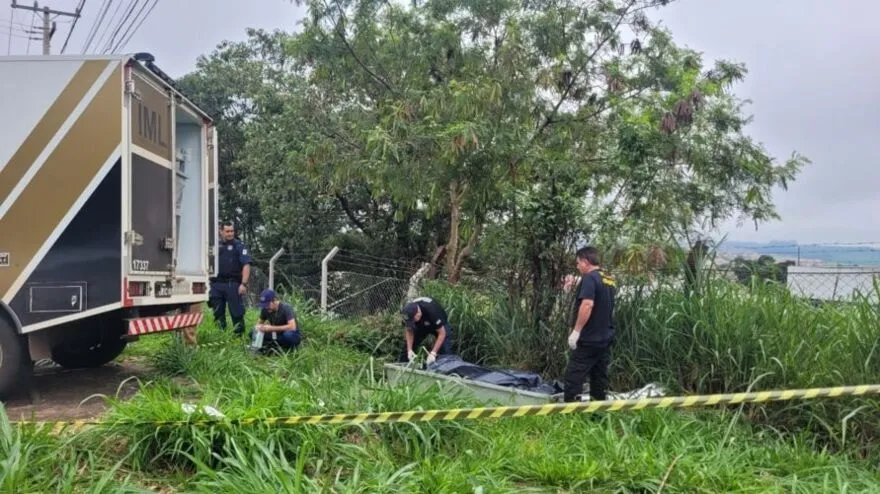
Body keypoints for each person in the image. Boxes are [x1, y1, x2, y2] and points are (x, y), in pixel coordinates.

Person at [563, 246, 616, 402]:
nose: (577, 266)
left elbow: (587, 304)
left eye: (578, 263)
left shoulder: (589, 278)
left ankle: (570, 414)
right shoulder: (609, 279)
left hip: (589, 339)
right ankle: (597, 415)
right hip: (605, 338)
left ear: (585, 262)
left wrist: (576, 331)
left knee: (574, 376)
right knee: (599, 378)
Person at [209, 221, 250, 336]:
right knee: (218, 313)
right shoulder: (214, 246)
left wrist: (244, 284)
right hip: (216, 284)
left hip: (233, 284)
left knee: (237, 313)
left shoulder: (239, 246)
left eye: (232, 231)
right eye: (227, 231)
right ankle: (220, 337)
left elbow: (246, 265)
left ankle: (239, 338)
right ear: (220, 231)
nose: (230, 233)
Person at [399, 296, 454, 365]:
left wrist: (433, 353)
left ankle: (445, 370)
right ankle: (402, 369)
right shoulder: (408, 311)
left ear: (418, 313)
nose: (412, 322)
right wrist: (409, 350)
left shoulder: (432, 311)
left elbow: (442, 333)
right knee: (406, 349)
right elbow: (409, 330)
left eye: (413, 320)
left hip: (440, 326)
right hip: (422, 325)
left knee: (446, 351)